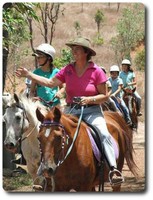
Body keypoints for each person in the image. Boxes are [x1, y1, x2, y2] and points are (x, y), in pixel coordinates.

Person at [15, 37, 124, 185]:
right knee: (51, 133)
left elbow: (105, 95)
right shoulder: (68, 69)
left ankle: (112, 169)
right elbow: (50, 82)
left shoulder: (97, 71)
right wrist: (29, 75)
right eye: (72, 49)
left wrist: (89, 99)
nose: (73, 51)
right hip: (71, 110)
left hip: (92, 111)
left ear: (86, 52)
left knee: (104, 134)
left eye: (77, 49)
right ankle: (45, 168)